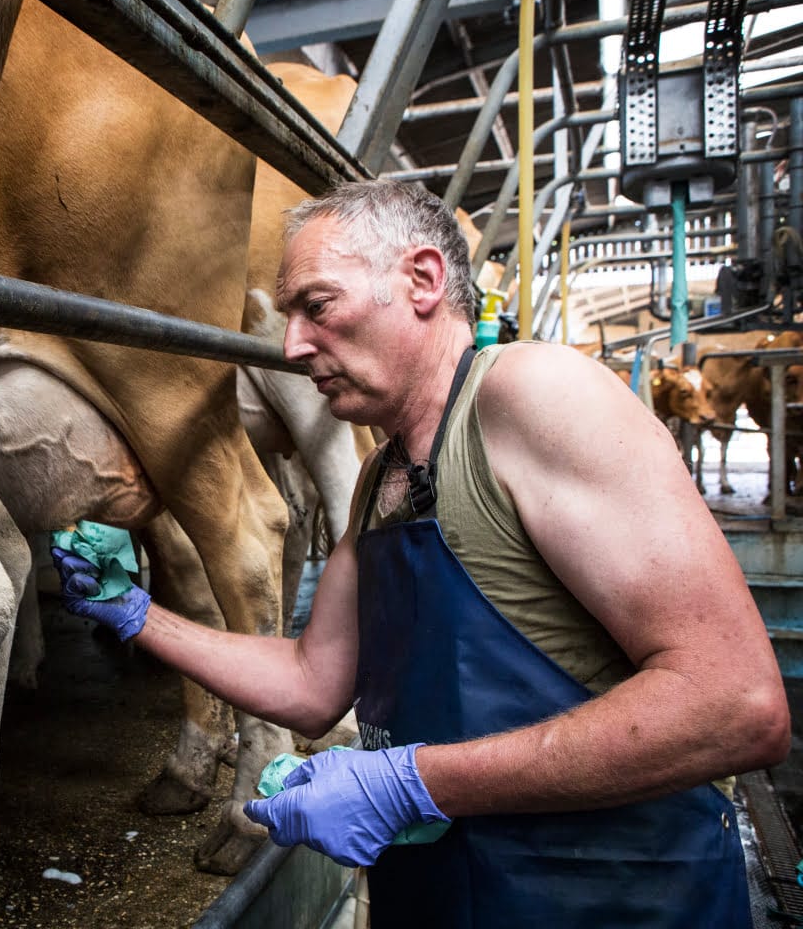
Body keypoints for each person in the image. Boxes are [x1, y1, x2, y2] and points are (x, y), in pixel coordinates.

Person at [51, 180, 789, 928]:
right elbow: (312, 684)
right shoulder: (380, 477)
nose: (292, 346)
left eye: (317, 305)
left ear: (424, 280)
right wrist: (137, 614)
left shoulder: (537, 397)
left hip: (609, 901)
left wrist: (411, 783)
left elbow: (736, 704)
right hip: (440, 899)